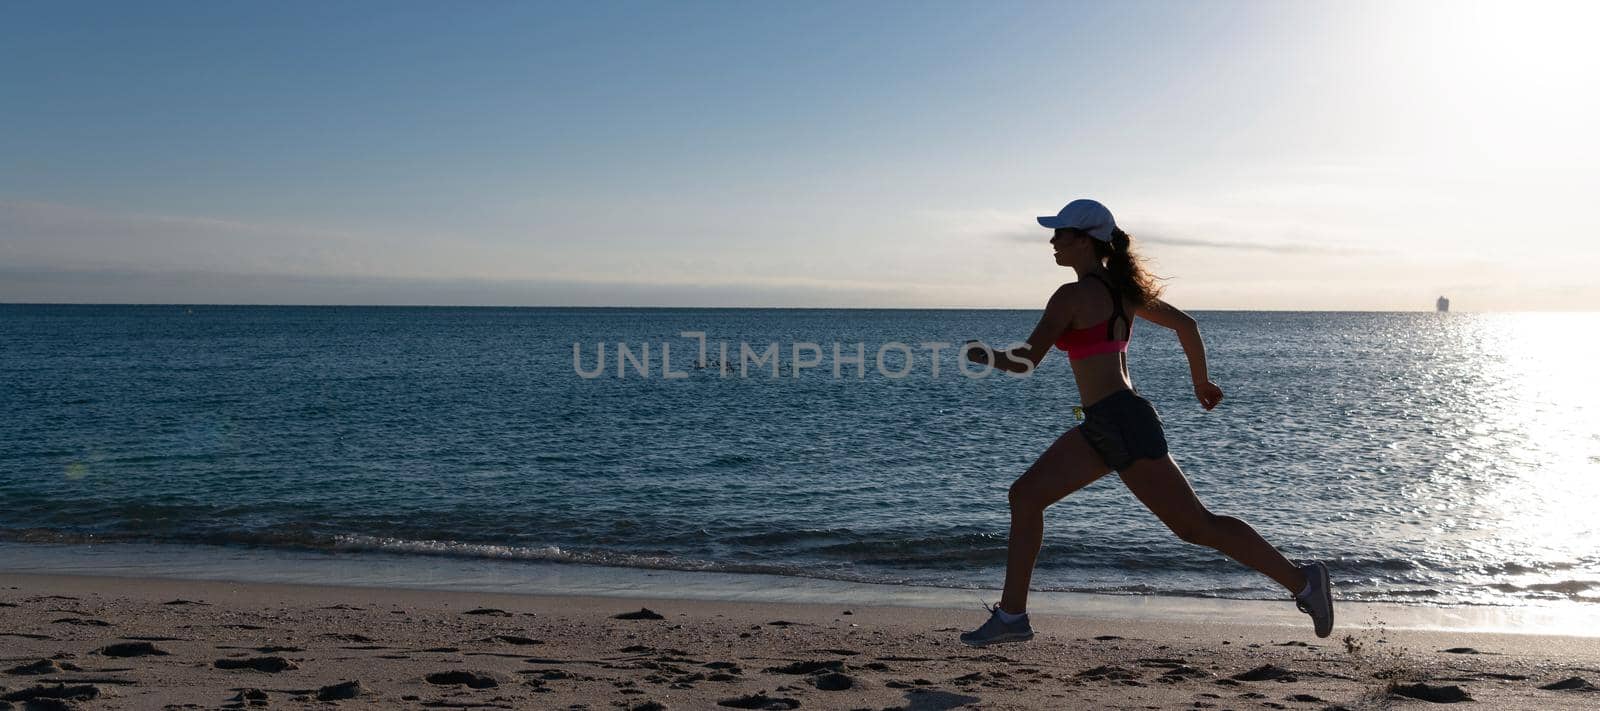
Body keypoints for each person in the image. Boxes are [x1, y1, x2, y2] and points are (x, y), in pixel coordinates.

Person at [957, 199, 1333, 646]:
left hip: (1122, 423)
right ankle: (1012, 615)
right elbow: (1186, 326)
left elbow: (1025, 363)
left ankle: (1304, 581)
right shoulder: (1123, 293)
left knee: (1196, 527)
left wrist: (982, 356)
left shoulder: (1071, 297)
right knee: (1025, 496)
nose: (1052, 241)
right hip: (1109, 420)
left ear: (1083, 240)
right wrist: (1200, 381)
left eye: (1060, 233)